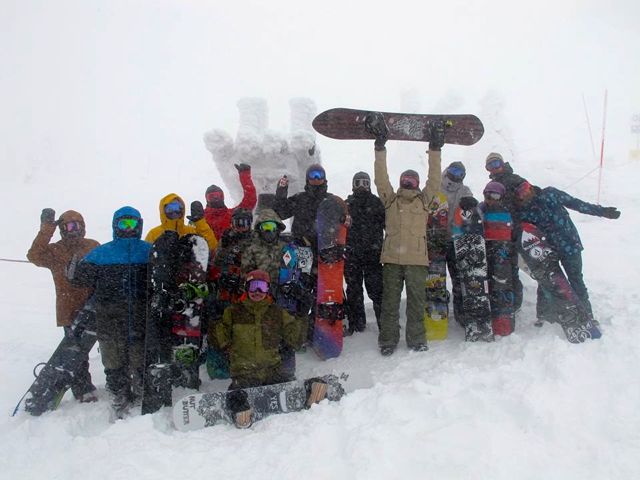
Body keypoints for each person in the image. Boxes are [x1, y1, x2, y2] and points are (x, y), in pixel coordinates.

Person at [368, 115, 444, 355]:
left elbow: (435, 178)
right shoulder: (390, 200)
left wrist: (434, 148)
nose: (409, 183)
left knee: (416, 304)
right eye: (405, 179)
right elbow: (381, 178)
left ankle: (416, 339)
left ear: (418, 183)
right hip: (391, 261)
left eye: (413, 180)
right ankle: (388, 341)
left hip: (416, 263)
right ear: (401, 182)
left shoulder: (424, 201)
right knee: (389, 304)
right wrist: (380, 147)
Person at [71, 206, 152, 414]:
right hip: (109, 313)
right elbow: (81, 279)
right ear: (115, 225)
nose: (127, 228)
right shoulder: (101, 253)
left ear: (139, 225)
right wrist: (75, 270)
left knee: (137, 353)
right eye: (123, 223)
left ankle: (139, 388)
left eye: (131, 223)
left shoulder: (148, 250)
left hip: (139, 312)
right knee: (112, 356)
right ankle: (118, 392)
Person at [214, 270, 317, 428]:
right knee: (236, 395)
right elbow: (220, 341)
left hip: (272, 373)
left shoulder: (276, 312)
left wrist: (302, 315)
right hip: (245, 375)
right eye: (253, 286)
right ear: (246, 288)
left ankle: (313, 393)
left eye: (261, 287)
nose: (257, 292)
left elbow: (296, 340)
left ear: (268, 289)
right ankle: (241, 412)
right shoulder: (233, 312)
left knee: (289, 385)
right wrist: (214, 319)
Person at [514, 180, 620, 325]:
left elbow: (576, 204)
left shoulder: (551, 193)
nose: (524, 194)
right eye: (520, 194)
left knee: (576, 279)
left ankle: (587, 315)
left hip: (570, 245)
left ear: (531, 187)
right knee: (546, 281)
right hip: (548, 250)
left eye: (525, 189)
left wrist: (602, 212)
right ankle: (544, 316)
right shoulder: (524, 211)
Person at [26, 209, 100, 403]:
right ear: (62, 229)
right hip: (70, 309)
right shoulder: (55, 251)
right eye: (68, 226)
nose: (73, 230)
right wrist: (46, 228)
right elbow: (34, 255)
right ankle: (83, 389)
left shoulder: (92, 246)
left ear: (83, 227)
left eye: (77, 225)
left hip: (95, 307)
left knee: (109, 345)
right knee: (75, 353)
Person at [344, 171, 385, 334]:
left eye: (365, 183)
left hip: (372, 254)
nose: (361, 186)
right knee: (353, 289)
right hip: (352, 253)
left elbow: (389, 225)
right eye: (358, 183)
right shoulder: (346, 204)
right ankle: (357, 323)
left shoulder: (377, 203)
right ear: (353, 185)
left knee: (377, 289)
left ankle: (384, 322)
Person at [485, 152, 527, 310]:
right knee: (499, 269)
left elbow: (528, 195)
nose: (494, 168)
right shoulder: (492, 185)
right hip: (498, 233)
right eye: (490, 166)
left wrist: (521, 219)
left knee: (511, 268)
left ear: (503, 164)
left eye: (496, 164)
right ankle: (501, 302)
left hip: (514, 230)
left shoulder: (514, 179)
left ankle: (514, 303)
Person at [440, 161, 476, 326]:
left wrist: (470, 204)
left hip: (456, 241)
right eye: (453, 170)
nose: (456, 175)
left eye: (460, 173)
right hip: (437, 239)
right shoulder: (436, 186)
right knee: (435, 279)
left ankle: (461, 312)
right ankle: (437, 309)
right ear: (447, 170)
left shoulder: (464, 191)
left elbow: (472, 210)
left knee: (458, 278)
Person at [478, 181, 516, 336]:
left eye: (495, 195)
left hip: (503, 253)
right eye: (488, 195)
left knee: (502, 285)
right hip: (486, 250)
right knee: (485, 286)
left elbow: (514, 231)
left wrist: (512, 250)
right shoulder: (480, 208)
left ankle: (503, 323)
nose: (491, 198)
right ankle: (486, 320)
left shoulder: (508, 210)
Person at [145, 193, 218, 251]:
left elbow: (212, 247)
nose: (174, 212)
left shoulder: (191, 231)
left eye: (178, 207)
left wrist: (200, 222)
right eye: (170, 209)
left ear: (182, 209)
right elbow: (146, 259)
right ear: (163, 210)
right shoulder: (154, 234)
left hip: (189, 269)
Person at [204, 163, 257, 241]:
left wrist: (244, 175)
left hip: (231, 251)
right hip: (209, 252)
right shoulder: (201, 218)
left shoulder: (233, 214)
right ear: (207, 199)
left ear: (223, 197)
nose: (216, 199)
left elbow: (250, 200)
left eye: (218, 195)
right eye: (211, 197)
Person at [241, 207, 287, 292]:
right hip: (260, 292)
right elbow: (246, 275)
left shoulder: (286, 248)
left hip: (283, 293)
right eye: (265, 227)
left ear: (277, 229)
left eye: (272, 226)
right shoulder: (252, 250)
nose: (268, 230)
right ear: (259, 229)